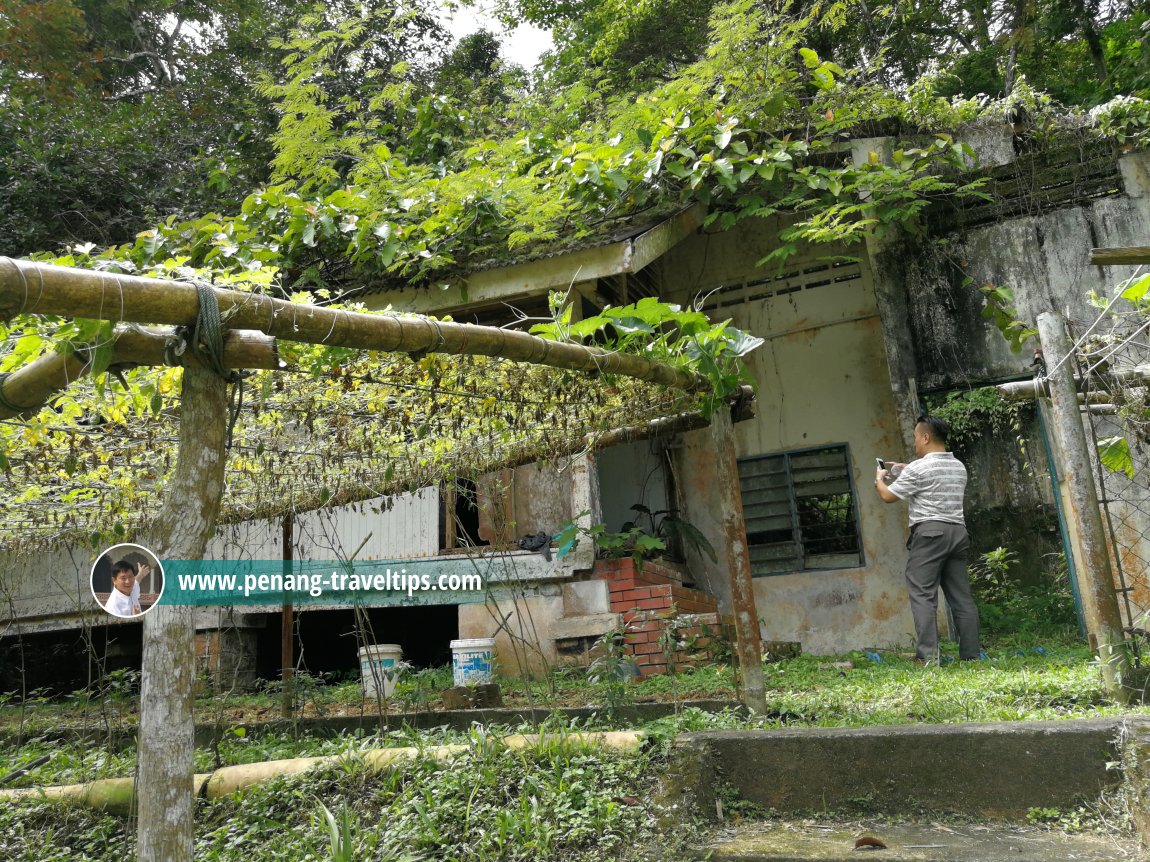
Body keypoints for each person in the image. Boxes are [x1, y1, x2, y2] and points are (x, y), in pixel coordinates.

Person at [874, 415, 980, 664]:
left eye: (915, 438)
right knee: (961, 597)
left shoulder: (920, 468)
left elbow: (888, 496)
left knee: (922, 594)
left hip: (931, 533)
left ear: (925, 437)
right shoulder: (958, 466)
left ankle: (928, 657)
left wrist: (879, 479)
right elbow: (928, 480)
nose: (915, 444)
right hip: (958, 532)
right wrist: (903, 470)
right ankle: (971, 656)